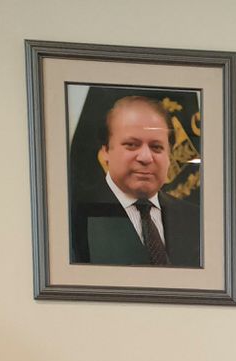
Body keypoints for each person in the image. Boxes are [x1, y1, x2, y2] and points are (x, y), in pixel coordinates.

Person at [70, 95, 200, 266]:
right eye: (131, 144)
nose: (146, 157)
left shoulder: (196, 220)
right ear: (105, 152)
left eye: (156, 147)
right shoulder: (73, 218)